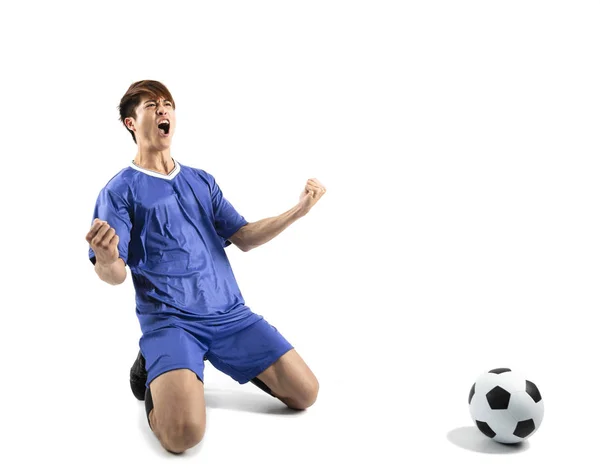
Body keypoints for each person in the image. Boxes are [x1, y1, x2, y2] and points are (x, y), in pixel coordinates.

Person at [85, 80, 326, 454]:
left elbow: (243, 236)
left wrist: (298, 211)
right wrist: (104, 257)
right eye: (151, 105)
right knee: (183, 436)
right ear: (131, 123)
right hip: (171, 321)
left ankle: (195, 363)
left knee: (305, 393)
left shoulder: (201, 180)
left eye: (167, 103)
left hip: (229, 315)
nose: (163, 109)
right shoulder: (119, 191)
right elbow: (114, 274)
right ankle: (153, 361)